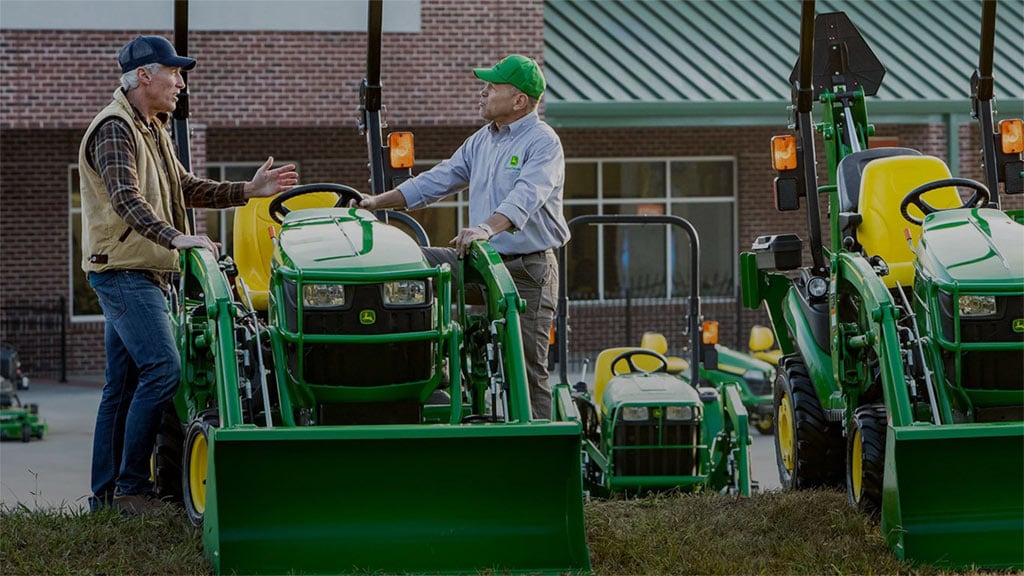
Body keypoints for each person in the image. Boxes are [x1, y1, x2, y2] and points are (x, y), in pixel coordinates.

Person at [79, 35, 298, 515]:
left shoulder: (151, 128)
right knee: (163, 371)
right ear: (143, 77)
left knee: (124, 385)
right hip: (124, 271)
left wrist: (249, 189)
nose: (179, 83)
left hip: (140, 270)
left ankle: (106, 497)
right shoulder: (115, 128)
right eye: (173, 73)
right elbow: (126, 200)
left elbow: (186, 186)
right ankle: (132, 490)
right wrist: (176, 238)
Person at [355, 54, 568, 419]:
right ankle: (434, 374)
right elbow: (438, 179)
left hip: (526, 271)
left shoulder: (543, 142)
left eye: (491, 87)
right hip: (480, 264)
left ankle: (537, 443)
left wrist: (486, 228)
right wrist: (375, 202)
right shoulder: (482, 141)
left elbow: (527, 197)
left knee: (528, 368)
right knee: (412, 265)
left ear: (519, 101)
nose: (482, 93)